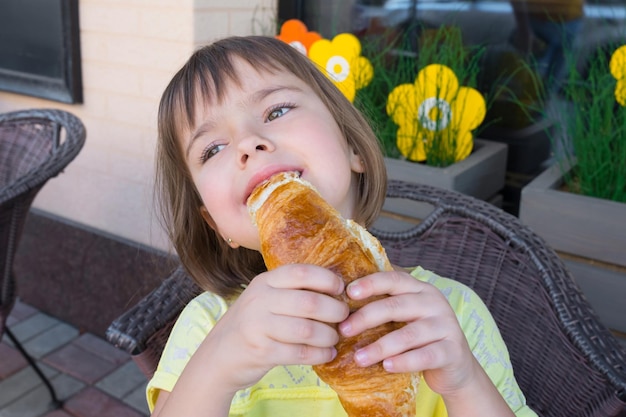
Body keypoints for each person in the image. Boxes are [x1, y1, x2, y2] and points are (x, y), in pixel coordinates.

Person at [147, 35, 537, 417]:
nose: (248, 143)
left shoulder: (452, 313)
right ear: (216, 224)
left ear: (353, 147)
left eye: (277, 111)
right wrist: (216, 369)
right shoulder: (209, 325)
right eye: (212, 149)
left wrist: (464, 382)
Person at [510, 0, 585, 95]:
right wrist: (524, 30)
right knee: (530, 83)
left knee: (553, 84)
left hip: (572, 23)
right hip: (539, 23)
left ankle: (542, 105)